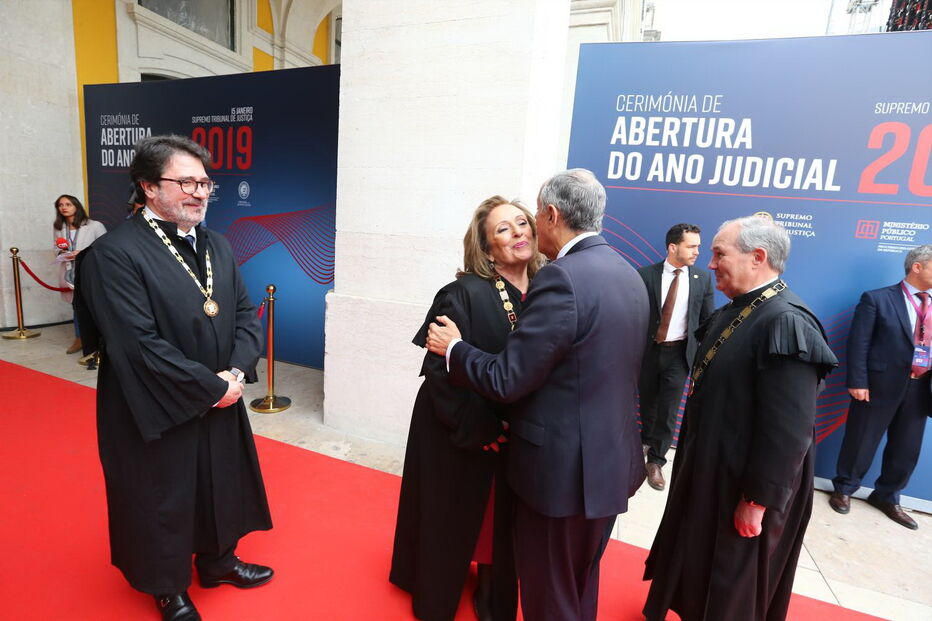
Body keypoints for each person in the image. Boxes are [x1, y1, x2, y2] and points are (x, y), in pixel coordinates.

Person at [427, 169, 649, 621]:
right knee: (578, 585)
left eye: (529, 218)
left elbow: (508, 378)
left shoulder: (561, 279)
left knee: (551, 596)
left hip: (562, 474)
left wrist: (454, 349)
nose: (524, 229)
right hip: (609, 465)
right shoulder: (628, 273)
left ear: (550, 215)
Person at [77, 135, 273, 621]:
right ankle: (167, 587)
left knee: (217, 480)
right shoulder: (114, 255)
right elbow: (137, 344)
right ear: (147, 186)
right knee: (158, 492)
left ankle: (218, 561)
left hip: (220, 392)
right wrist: (212, 388)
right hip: (152, 400)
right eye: (185, 181)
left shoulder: (217, 244)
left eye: (205, 182)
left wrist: (233, 373)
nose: (199, 192)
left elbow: (246, 313)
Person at [642, 215, 837, 621]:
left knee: (731, 581)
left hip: (745, 485)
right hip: (714, 469)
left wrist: (757, 500)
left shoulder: (786, 321)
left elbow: (789, 431)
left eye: (719, 254)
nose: (709, 264)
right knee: (698, 566)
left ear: (757, 258)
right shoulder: (741, 309)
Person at [391, 196, 544, 621]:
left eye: (521, 223)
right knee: (459, 513)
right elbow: (438, 371)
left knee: (504, 516)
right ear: (486, 247)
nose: (517, 233)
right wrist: (482, 427)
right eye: (502, 229)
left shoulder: (550, 287)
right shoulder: (461, 293)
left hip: (520, 430)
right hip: (458, 424)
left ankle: (495, 586)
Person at [829, 245, 932, 530]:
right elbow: (859, 342)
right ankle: (845, 489)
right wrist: (858, 381)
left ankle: (888, 496)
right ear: (918, 267)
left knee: (907, 448)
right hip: (877, 385)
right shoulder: (877, 299)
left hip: (921, 387)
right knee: (861, 439)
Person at [637, 223, 714, 491]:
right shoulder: (645, 275)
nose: (697, 252)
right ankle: (642, 446)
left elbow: (706, 324)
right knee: (646, 403)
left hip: (679, 355)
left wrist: (698, 366)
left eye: (698, 246)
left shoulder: (702, 279)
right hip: (647, 352)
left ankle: (656, 461)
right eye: (691, 246)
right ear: (673, 247)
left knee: (669, 410)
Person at [53, 194, 106, 354]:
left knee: (95, 305)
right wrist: (63, 252)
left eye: (68, 204)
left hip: (90, 271)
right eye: (60, 205)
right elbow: (56, 248)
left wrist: (81, 253)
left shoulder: (94, 225)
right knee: (77, 306)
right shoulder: (58, 228)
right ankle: (80, 338)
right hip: (70, 272)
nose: (64, 207)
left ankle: (101, 340)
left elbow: (105, 248)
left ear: (76, 206)